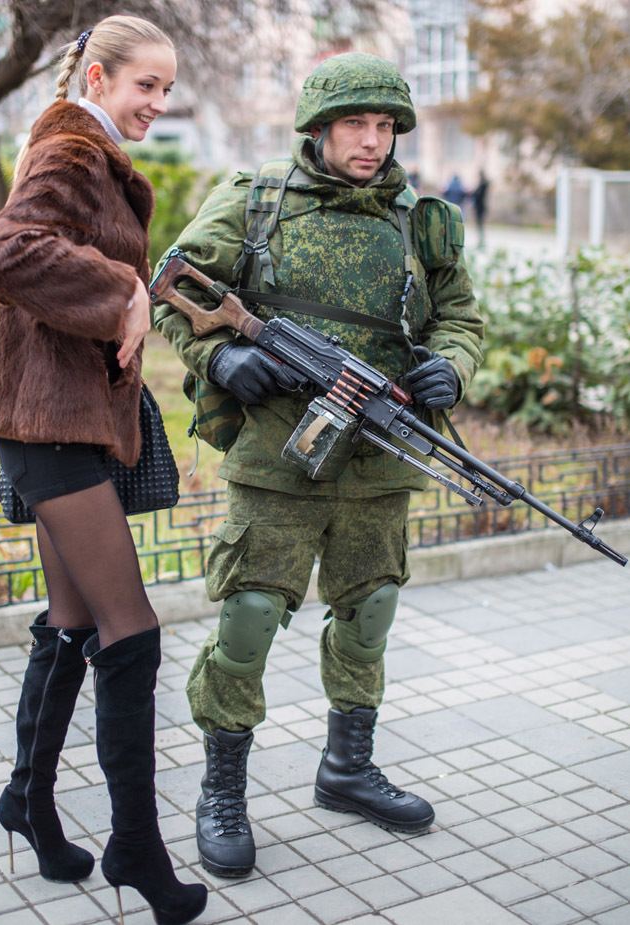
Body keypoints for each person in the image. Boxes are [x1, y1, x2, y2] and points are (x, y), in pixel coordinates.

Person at [154, 52, 484, 879]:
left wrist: (452, 363)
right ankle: (222, 788)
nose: (371, 141)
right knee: (251, 616)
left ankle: (345, 769)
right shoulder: (255, 199)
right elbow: (171, 287)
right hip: (277, 457)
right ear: (317, 127)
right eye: (354, 125)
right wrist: (219, 359)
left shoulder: (426, 220)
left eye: (384, 127)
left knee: (369, 609)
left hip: (381, 454)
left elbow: (461, 316)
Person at [0, 15, 207, 925]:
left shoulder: (67, 148)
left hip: (53, 417)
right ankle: (137, 849)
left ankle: (27, 798)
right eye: (146, 86)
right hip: (52, 429)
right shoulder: (71, 150)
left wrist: (41, 345)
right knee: (128, 628)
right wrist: (120, 297)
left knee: (70, 621)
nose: (158, 103)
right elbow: (4, 260)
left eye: (168, 90)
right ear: (99, 77)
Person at [472, 169, 490, 248]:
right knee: (479, 225)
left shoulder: (483, 185)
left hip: (480, 207)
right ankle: (481, 240)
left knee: (480, 225)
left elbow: (476, 194)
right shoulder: (481, 184)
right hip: (479, 207)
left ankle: (481, 241)